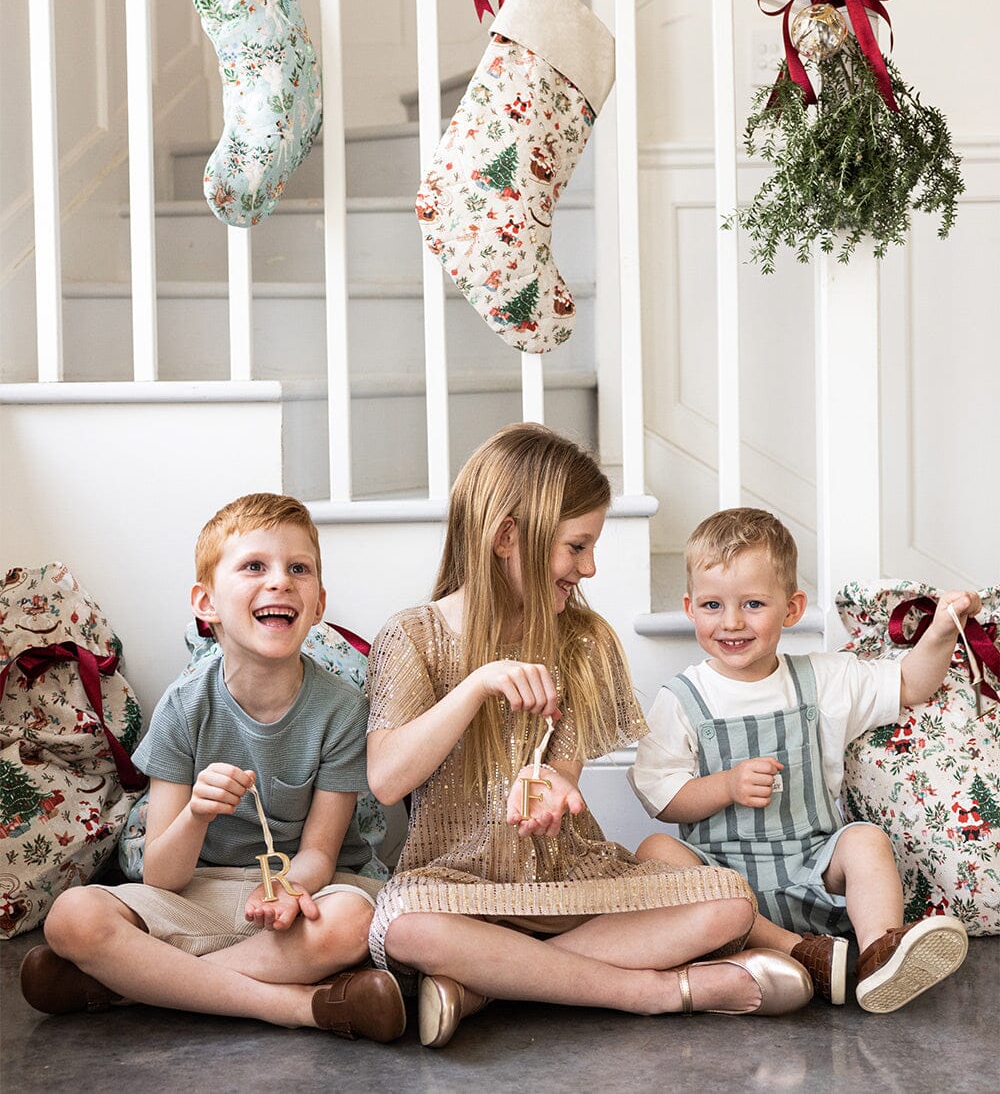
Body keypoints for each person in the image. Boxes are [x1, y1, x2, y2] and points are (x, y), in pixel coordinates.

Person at [364, 425, 813, 1048]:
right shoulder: (411, 636)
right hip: (456, 884)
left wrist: (557, 788)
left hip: (567, 879)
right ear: (505, 537)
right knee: (403, 925)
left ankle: (483, 984)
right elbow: (387, 779)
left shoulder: (583, 639)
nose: (590, 567)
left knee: (730, 905)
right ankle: (655, 992)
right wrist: (476, 686)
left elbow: (564, 774)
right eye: (577, 546)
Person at [20, 493, 406, 1043]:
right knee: (71, 917)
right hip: (202, 890)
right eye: (254, 566)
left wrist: (286, 889)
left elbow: (320, 853)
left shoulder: (343, 709)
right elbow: (162, 875)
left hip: (302, 894)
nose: (280, 582)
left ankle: (128, 987)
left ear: (318, 604)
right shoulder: (184, 706)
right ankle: (294, 1005)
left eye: (298, 568)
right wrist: (197, 814)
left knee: (353, 925)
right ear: (206, 603)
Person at [629, 506, 974, 1013]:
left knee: (864, 840)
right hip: (725, 882)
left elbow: (908, 683)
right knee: (655, 850)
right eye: (711, 605)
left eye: (752, 604)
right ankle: (798, 953)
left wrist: (943, 631)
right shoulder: (683, 698)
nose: (730, 622)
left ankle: (880, 952)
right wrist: (724, 786)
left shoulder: (822, 680)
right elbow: (661, 798)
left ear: (791, 609)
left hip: (811, 871)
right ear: (688, 608)